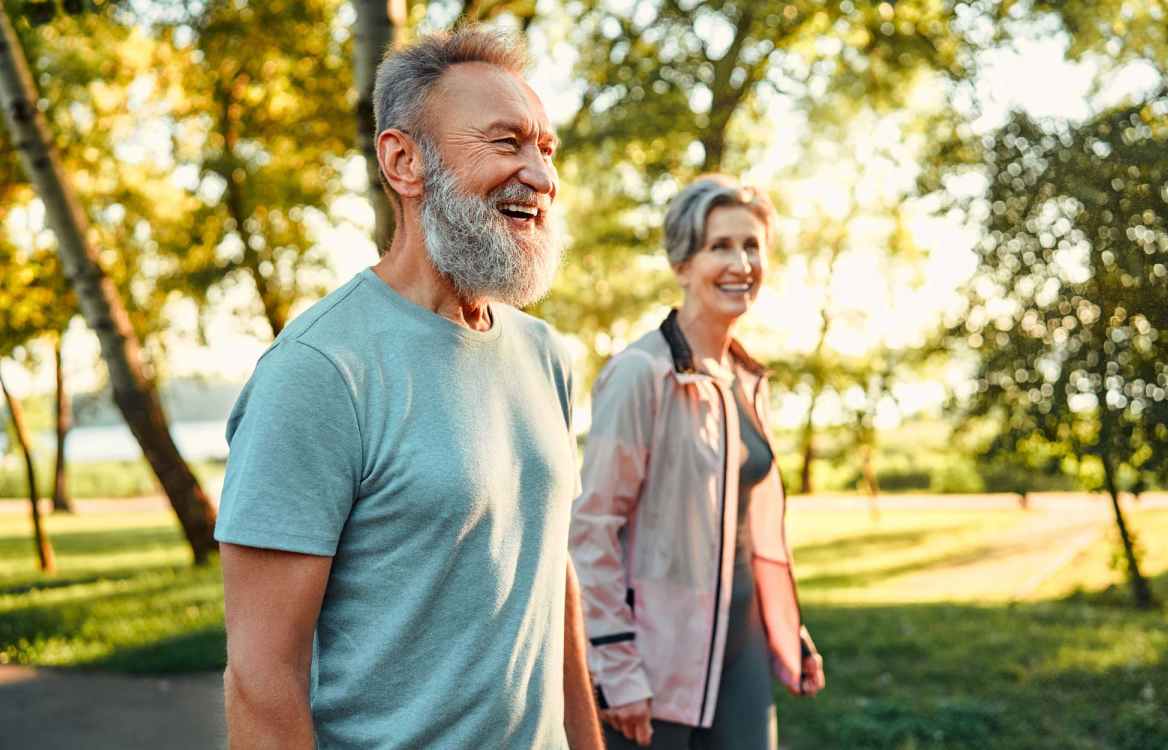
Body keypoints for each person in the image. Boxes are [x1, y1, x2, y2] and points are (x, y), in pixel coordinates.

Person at [216, 28, 603, 750]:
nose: (542, 177)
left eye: (545, 149)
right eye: (506, 143)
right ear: (403, 161)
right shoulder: (318, 372)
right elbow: (261, 677)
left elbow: (551, 583)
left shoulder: (546, 353)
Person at [570, 175, 826, 749]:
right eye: (720, 246)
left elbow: (746, 530)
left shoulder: (749, 379)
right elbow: (590, 531)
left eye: (752, 246)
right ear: (683, 263)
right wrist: (615, 668)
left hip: (744, 652)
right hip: (656, 663)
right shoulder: (641, 373)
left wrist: (788, 629)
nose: (741, 262)